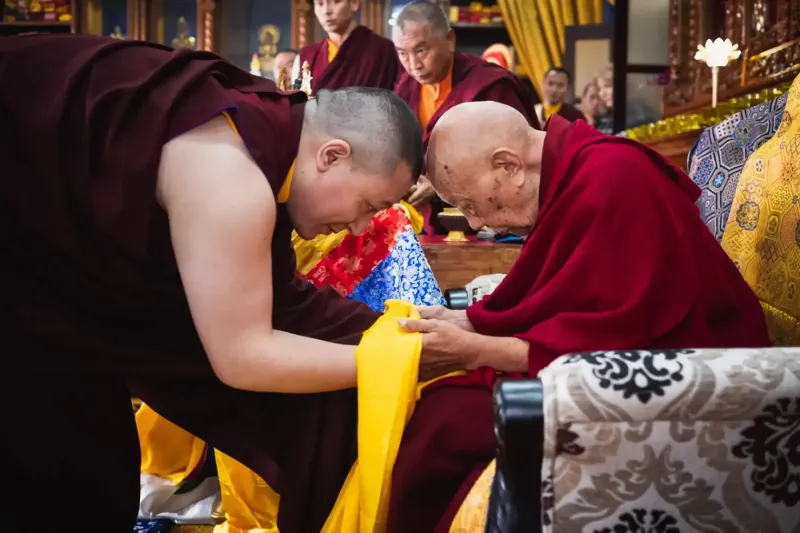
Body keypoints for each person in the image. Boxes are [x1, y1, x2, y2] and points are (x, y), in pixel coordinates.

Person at [0, 32, 469, 533]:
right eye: (370, 206)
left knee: (90, 470)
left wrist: (409, 329)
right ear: (332, 156)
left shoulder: (262, 134)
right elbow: (243, 357)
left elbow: (285, 304)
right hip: (25, 282)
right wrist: (397, 360)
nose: (360, 228)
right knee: (66, 479)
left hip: (41, 276)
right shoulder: (232, 177)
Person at [385, 101, 771, 532]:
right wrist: (473, 321)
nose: (475, 223)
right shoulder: (570, 173)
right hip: (614, 366)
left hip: (684, 392)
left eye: (471, 203)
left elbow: (623, 336)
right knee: (439, 407)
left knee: (445, 426)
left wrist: (476, 348)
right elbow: (566, 296)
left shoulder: (614, 179)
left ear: (508, 165)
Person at [392, 0, 538, 234]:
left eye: (421, 50)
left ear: (450, 40)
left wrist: (441, 184)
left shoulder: (488, 85)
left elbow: (517, 162)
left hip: (491, 225)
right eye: (402, 53)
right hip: (424, 223)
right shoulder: (405, 89)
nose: (413, 64)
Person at [293, 0, 398, 94]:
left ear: (354, 3)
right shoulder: (307, 55)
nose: (326, 11)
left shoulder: (382, 50)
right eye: (320, 4)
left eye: (336, 2)